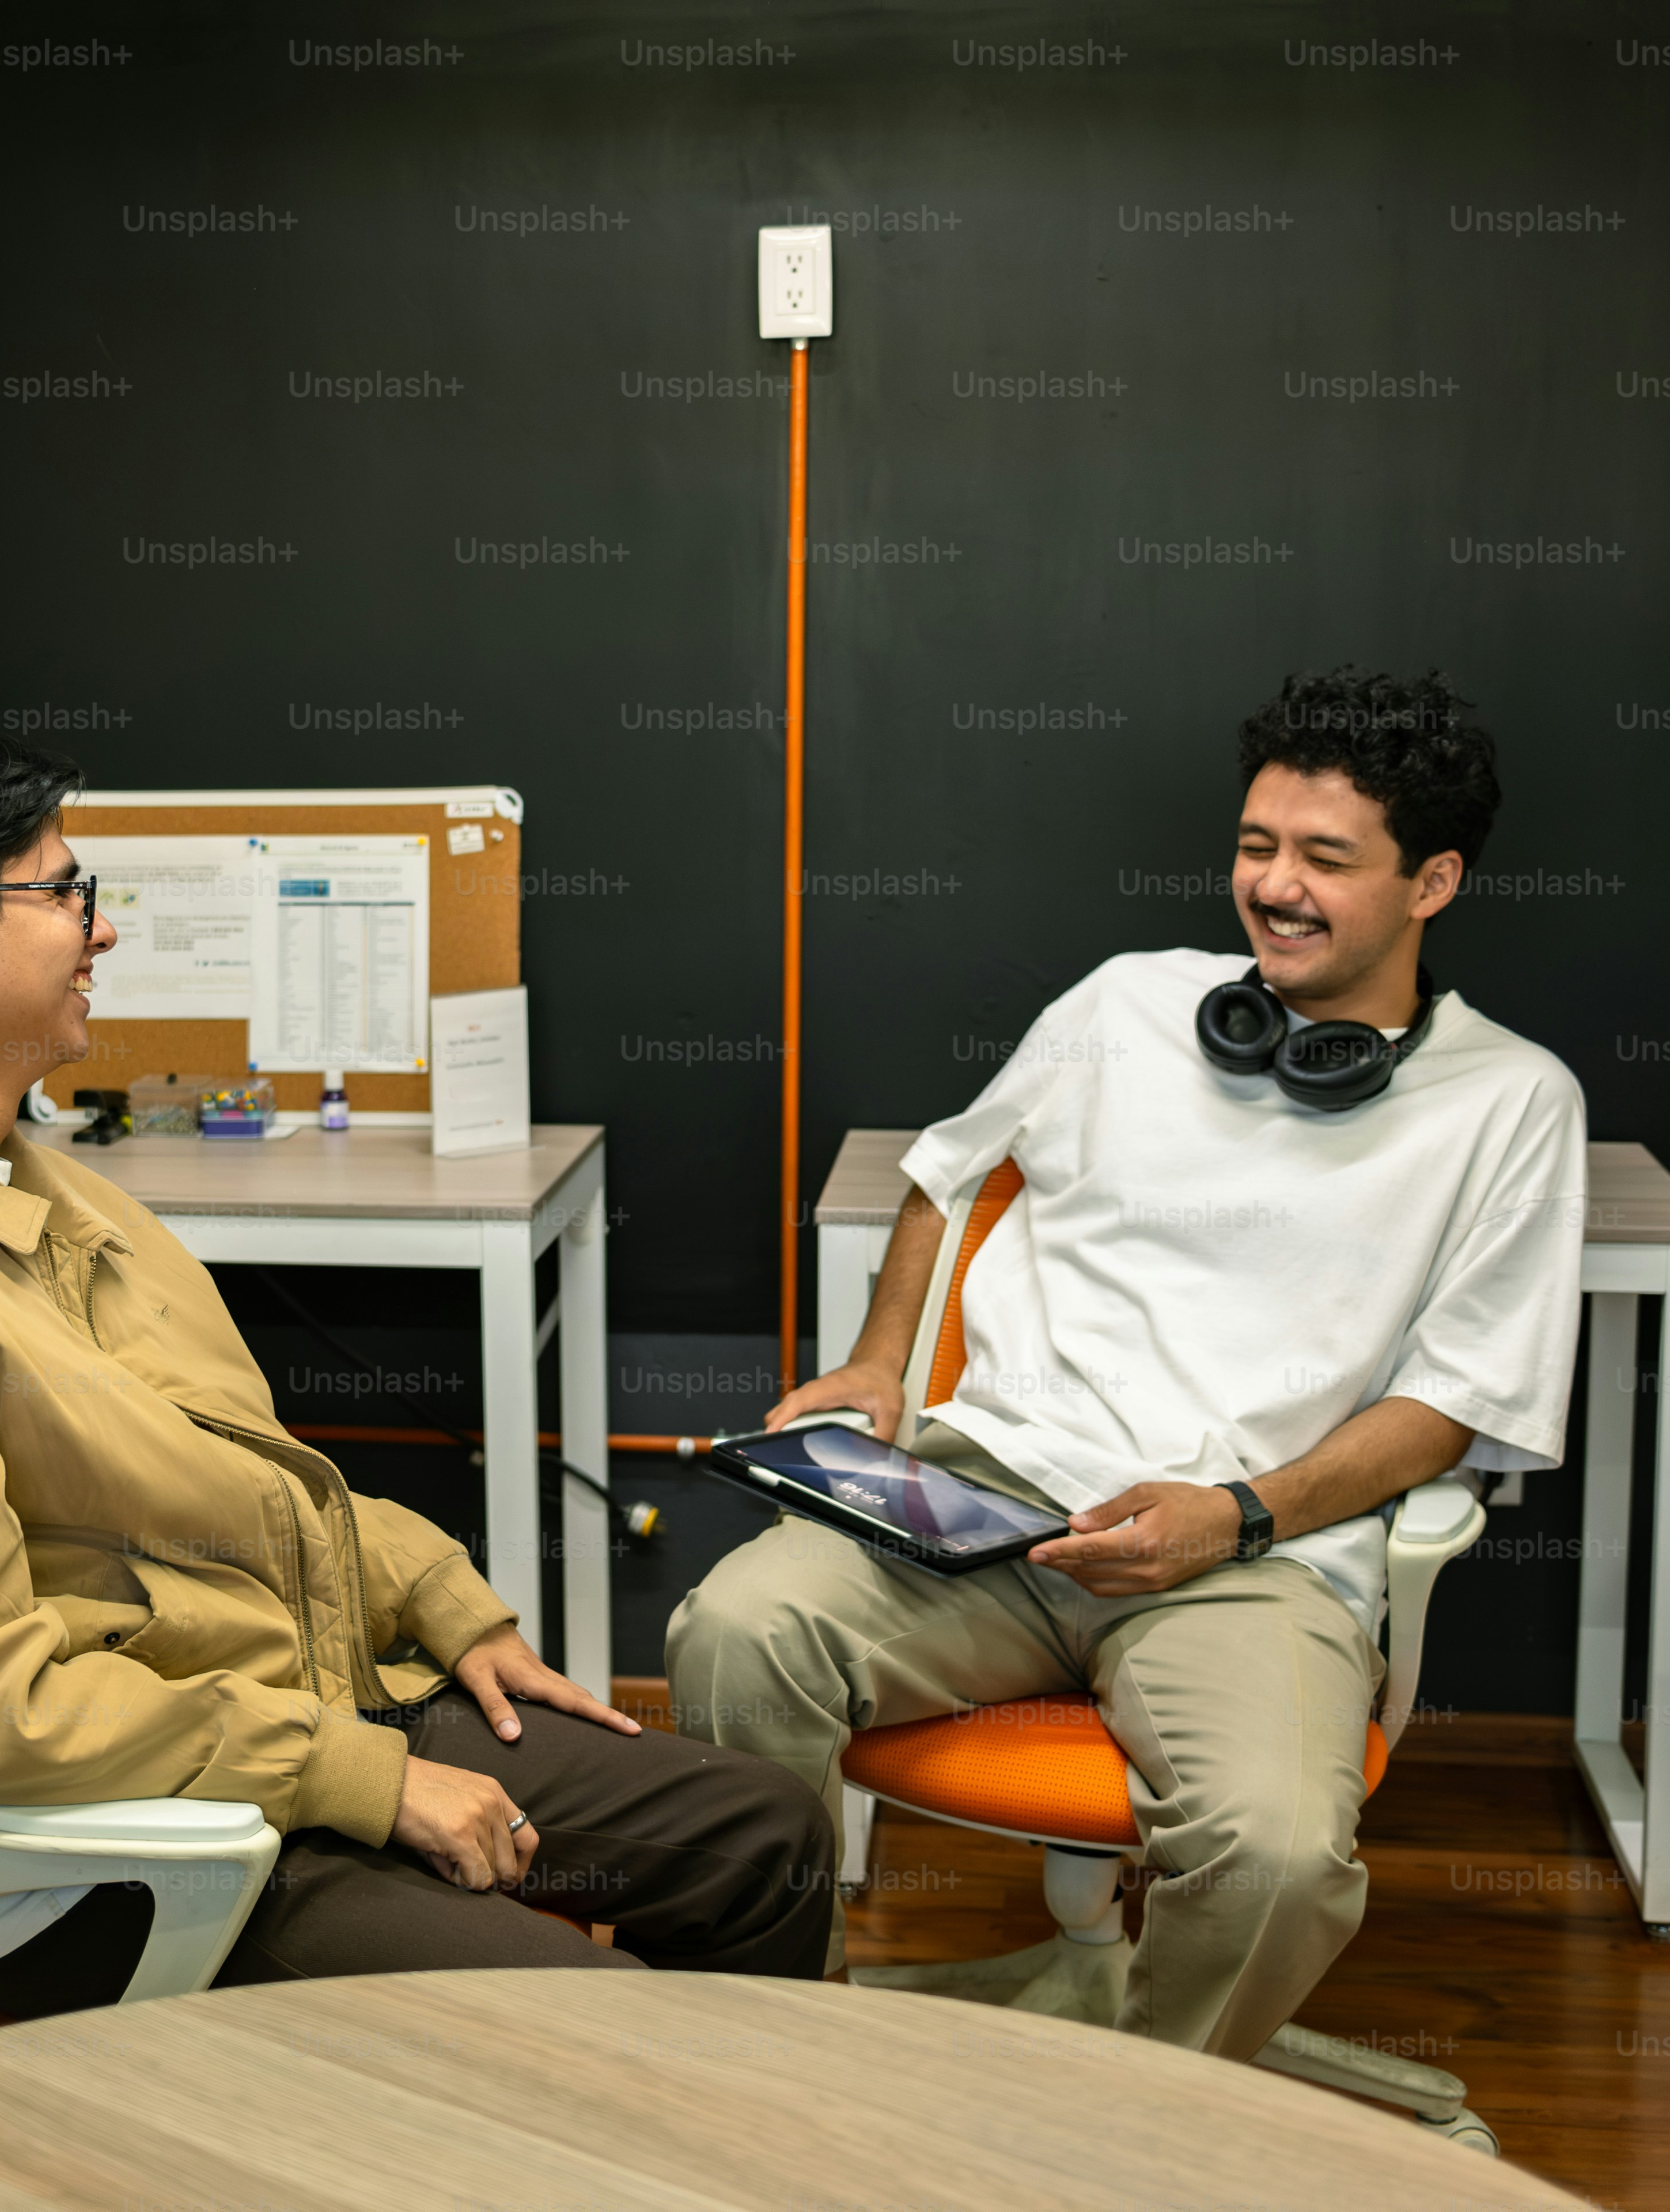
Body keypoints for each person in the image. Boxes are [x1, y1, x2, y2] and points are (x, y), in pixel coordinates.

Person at [0, 721, 832, 2012]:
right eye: (67, 892)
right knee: (574, 2011)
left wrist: (441, 1595)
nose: (100, 930)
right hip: (133, 1855)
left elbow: (245, 1484)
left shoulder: (54, 1188)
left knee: (769, 1843)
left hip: (295, 1719)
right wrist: (365, 1779)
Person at [668, 668, 1585, 2058]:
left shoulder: (1515, 1101)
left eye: (1325, 860)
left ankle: (1146, 2129)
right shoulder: (1127, 1004)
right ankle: (792, 2056)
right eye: (1256, 845)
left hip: (1257, 1558)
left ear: (1433, 882)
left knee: (1275, 1860)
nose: (1274, 887)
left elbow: (1455, 1406)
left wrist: (1238, 1514)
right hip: (996, 1510)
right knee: (735, 1639)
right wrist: (873, 1364)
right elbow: (947, 1169)